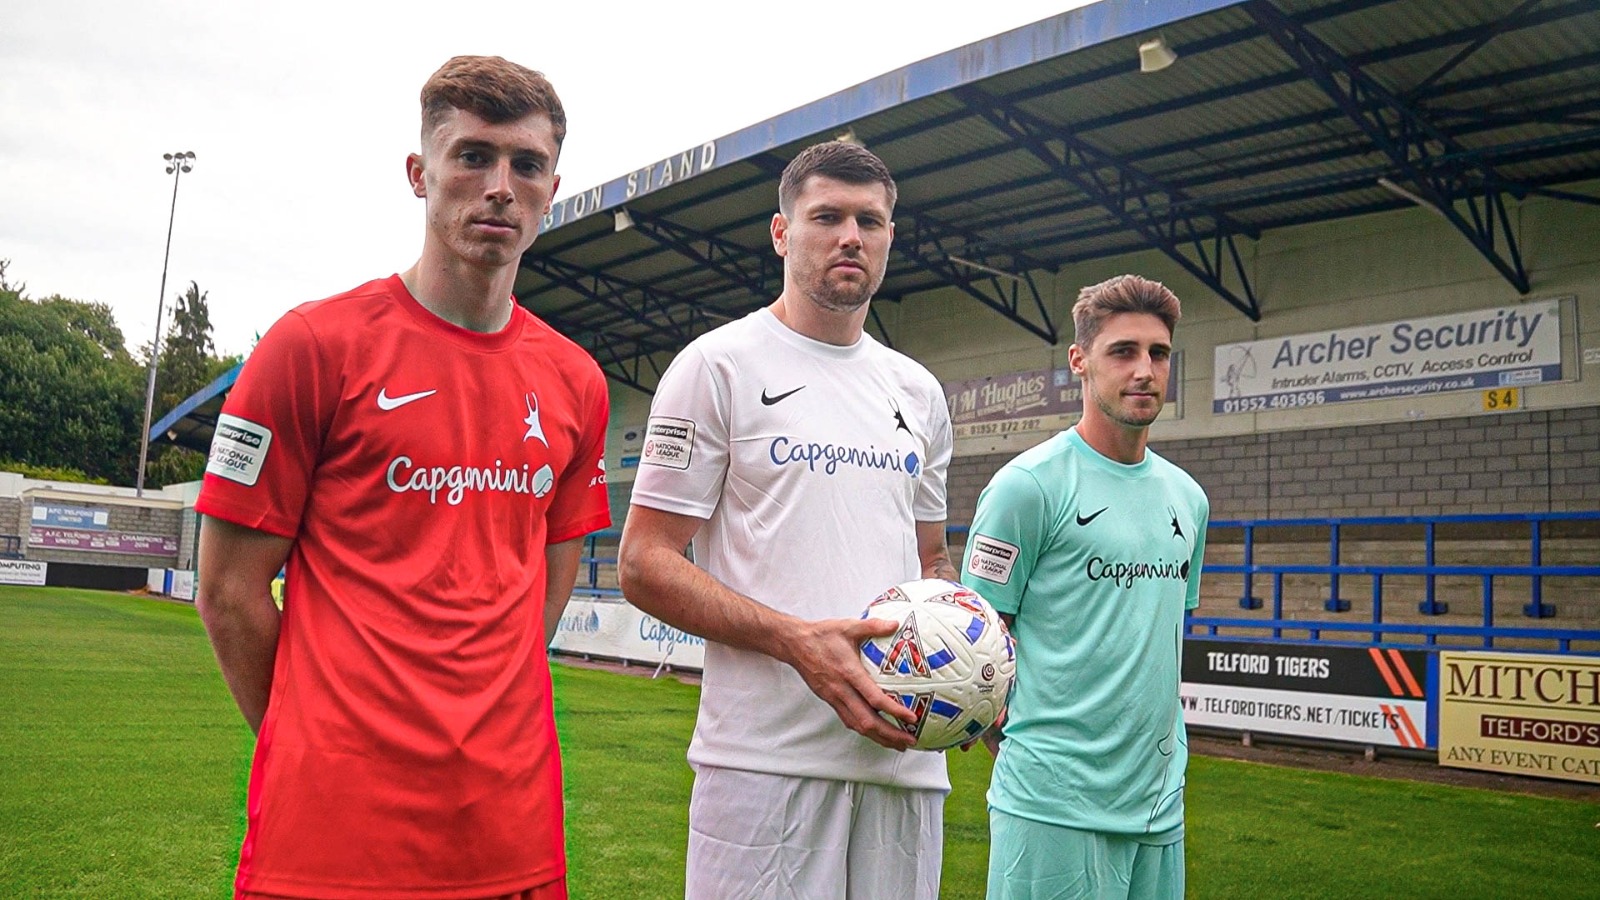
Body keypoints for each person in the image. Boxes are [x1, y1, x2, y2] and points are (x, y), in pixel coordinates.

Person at [194, 56, 610, 900]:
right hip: (332, 835)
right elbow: (229, 592)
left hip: (511, 832)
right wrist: (318, 738)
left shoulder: (577, 381)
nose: (500, 185)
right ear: (420, 174)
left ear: (551, 188)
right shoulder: (311, 347)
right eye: (473, 156)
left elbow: (541, 599)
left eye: (526, 165)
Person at [617, 141, 957, 899]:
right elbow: (643, 562)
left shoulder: (920, 392)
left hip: (905, 765)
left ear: (890, 239)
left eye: (869, 221)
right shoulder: (718, 366)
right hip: (763, 766)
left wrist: (966, 646)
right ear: (781, 232)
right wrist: (798, 644)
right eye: (826, 216)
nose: (850, 237)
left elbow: (932, 563)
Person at [960, 275, 1208, 900]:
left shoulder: (1190, 498)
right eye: (1123, 352)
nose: (1145, 370)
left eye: (1158, 353)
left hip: (1159, 804)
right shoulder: (1027, 487)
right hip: (1053, 806)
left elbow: (1161, 638)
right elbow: (975, 644)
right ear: (1080, 361)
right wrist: (1025, 752)